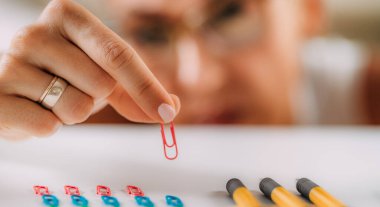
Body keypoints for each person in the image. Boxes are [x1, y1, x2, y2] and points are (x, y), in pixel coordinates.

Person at [0, 0, 379, 140]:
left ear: (310, 10)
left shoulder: (367, 96)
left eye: (230, 14)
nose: (198, 78)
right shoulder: (94, 106)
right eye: (153, 33)